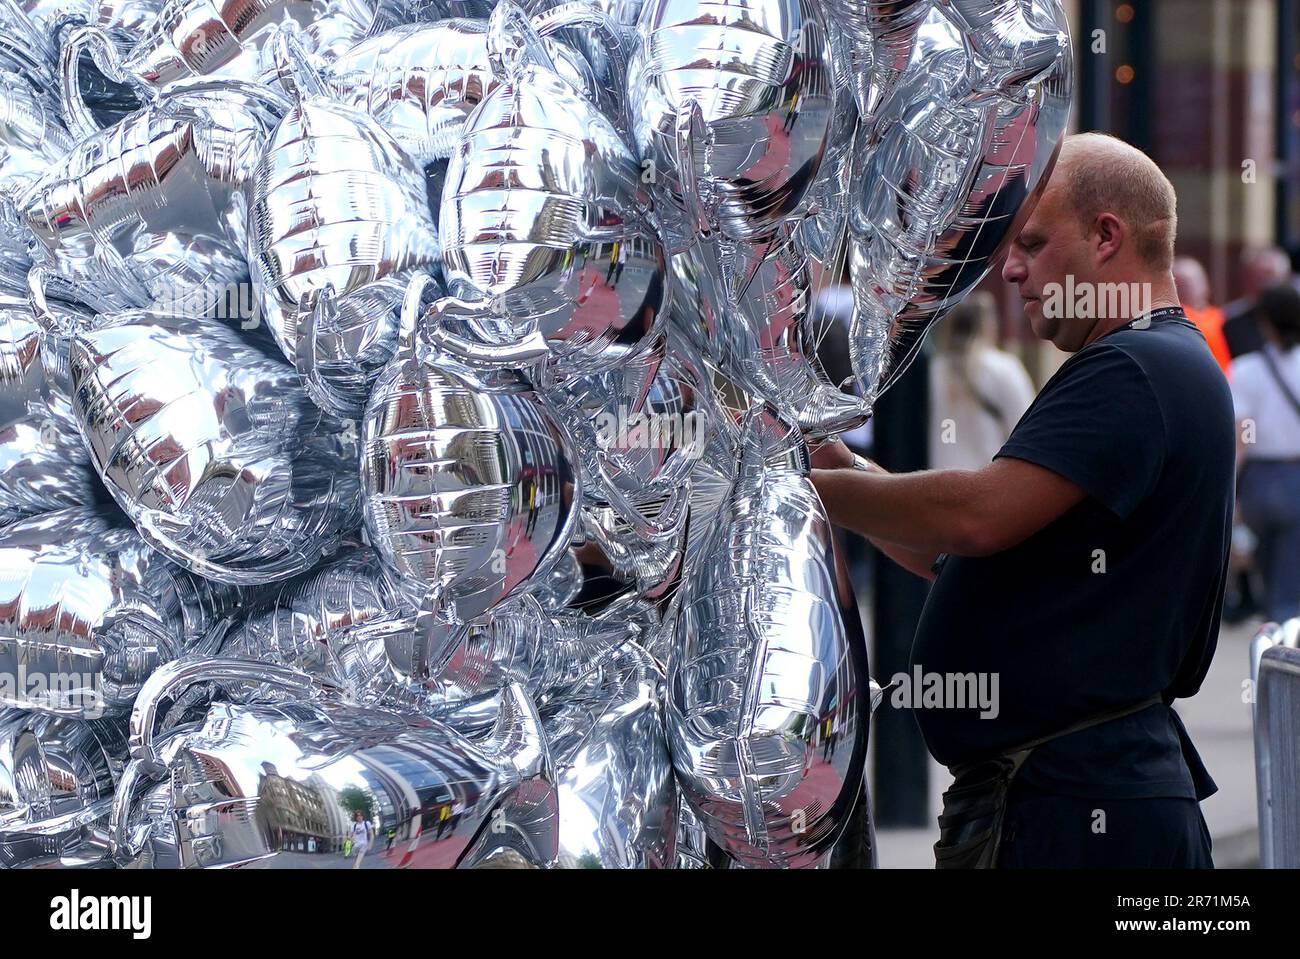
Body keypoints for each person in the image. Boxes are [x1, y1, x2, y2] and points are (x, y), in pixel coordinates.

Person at [811, 132, 1233, 868]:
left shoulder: (1135, 365)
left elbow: (978, 515)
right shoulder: (1148, 359)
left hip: (1080, 808)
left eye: (1031, 244)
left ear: (1106, 237)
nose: (1008, 270)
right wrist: (848, 469)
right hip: (1069, 794)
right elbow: (956, 549)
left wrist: (795, 491)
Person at [1230, 283, 1300, 624]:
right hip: (1295, 477)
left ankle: (1274, 630)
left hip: (1259, 481)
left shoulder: (1246, 370)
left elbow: (1242, 436)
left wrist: (1232, 493)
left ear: (1265, 322)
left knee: (1270, 578)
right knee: (1290, 584)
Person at [927, 290, 1036, 471]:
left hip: (939, 481)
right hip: (987, 484)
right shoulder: (1004, 368)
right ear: (987, 324)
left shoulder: (934, 370)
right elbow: (1027, 432)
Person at [1221, 245, 1293, 359]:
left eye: (1270, 276)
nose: (1263, 284)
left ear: (1286, 278)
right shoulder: (1230, 320)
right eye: (1257, 277)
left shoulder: (1295, 318)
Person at [1172, 255, 1232, 375]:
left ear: (1206, 284)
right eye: (1180, 284)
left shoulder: (1221, 316)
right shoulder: (1173, 318)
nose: (1187, 288)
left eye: (1192, 282)